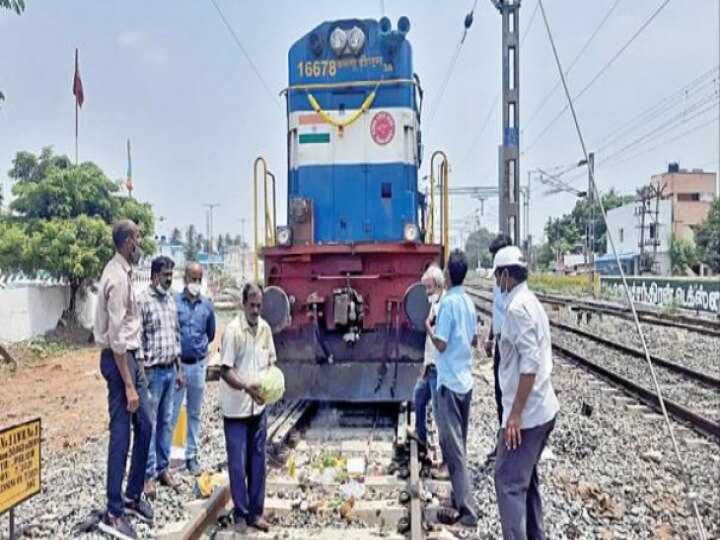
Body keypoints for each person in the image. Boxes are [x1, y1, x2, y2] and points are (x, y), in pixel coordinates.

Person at [493, 246, 559, 540]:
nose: (496, 284)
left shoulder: (517, 308)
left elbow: (529, 363)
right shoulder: (531, 301)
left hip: (529, 415)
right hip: (543, 408)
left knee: (507, 482)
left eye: (497, 277)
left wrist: (515, 415)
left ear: (506, 275)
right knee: (526, 480)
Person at [94, 220, 153, 540]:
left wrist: (137, 367)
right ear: (128, 242)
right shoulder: (116, 278)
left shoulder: (125, 273)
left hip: (132, 357)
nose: (140, 243)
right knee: (122, 435)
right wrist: (129, 384)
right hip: (119, 361)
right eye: (138, 238)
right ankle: (113, 513)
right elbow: (116, 338)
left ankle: (131, 496)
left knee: (145, 425)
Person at [425, 249, 479, 531]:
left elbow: (442, 344)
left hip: (449, 383)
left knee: (453, 448)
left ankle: (468, 512)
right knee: (460, 443)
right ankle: (459, 498)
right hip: (466, 382)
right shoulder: (469, 303)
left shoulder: (447, 304)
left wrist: (429, 330)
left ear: (447, 274)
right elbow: (473, 340)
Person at [218, 283, 275, 533]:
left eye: (258, 305)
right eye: (251, 305)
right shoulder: (233, 331)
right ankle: (241, 514)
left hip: (258, 409)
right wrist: (246, 388)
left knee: (258, 462)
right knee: (238, 464)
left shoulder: (265, 329)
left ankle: (256, 514)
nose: (255, 309)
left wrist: (271, 386)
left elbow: (271, 362)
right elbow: (225, 369)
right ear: (243, 304)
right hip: (236, 410)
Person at [138, 256, 182, 497]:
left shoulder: (170, 300)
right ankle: (148, 475)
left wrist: (179, 369)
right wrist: (142, 375)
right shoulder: (143, 302)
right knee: (151, 425)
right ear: (154, 275)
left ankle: (163, 469)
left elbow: (175, 336)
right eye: (166, 275)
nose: (169, 279)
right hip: (153, 373)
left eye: (171, 275)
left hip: (170, 370)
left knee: (167, 423)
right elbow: (139, 340)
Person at [171, 262, 216, 476]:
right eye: (193, 279)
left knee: (194, 413)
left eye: (199, 279)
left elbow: (211, 333)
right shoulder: (174, 303)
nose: (196, 283)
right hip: (178, 367)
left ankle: (192, 456)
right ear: (185, 279)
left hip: (198, 365)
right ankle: (163, 459)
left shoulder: (207, 306)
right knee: (170, 413)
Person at [407, 264, 444, 452]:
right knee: (419, 396)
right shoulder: (433, 305)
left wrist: (428, 326)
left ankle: (447, 457)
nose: (427, 292)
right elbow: (429, 345)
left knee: (439, 413)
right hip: (430, 367)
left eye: (429, 287)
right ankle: (420, 434)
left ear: (439, 286)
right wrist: (424, 368)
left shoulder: (442, 308)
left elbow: (438, 342)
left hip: (439, 369)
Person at [484, 233, 513, 463]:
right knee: (499, 394)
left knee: (509, 394)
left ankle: (510, 446)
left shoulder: (513, 287)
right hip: (500, 345)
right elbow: (496, 312)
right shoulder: (498, 281)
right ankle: (502, 442)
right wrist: (490, 337)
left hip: (511, 347)